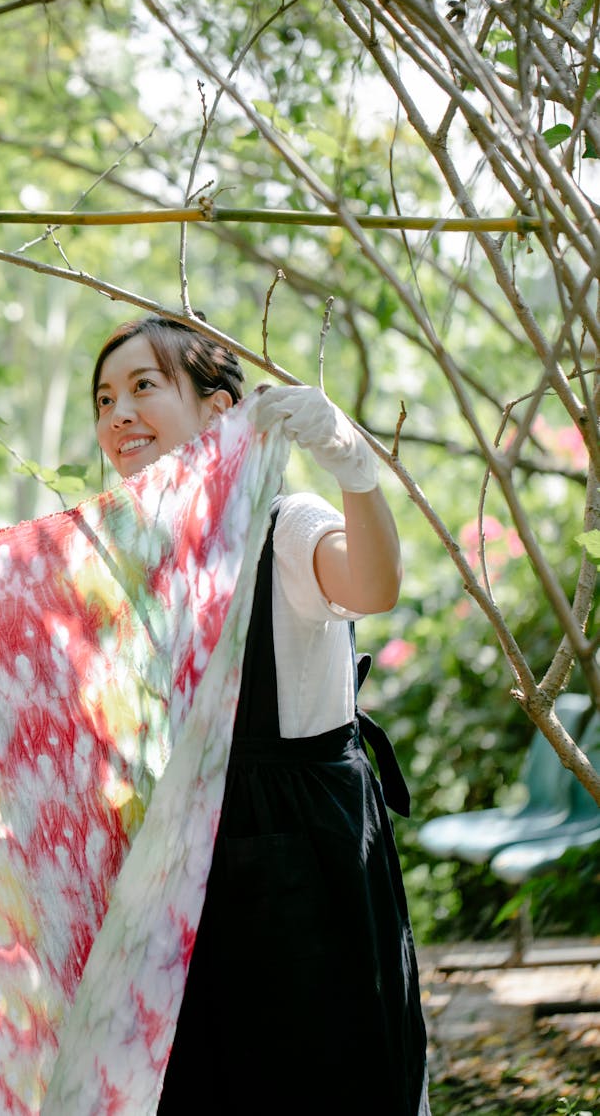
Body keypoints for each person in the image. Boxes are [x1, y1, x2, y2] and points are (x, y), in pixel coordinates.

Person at [92, 314, 430, 1115]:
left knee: (317, 1072)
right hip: (187, 854)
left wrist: (355, 468)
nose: (117, 414)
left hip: (300, 852)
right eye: (104, 398)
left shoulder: (282, 525)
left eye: (144, 385)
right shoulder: (140, 552)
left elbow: (372, 589)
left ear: (218, 409)